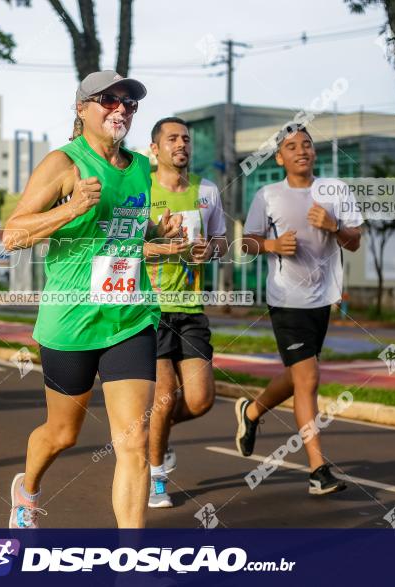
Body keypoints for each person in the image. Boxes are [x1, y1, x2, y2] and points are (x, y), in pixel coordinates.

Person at [2, 70, 183, 529]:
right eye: (108, 99)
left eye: (129, 102)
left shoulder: (141, 167)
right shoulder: (64, 163)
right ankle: (27, 489)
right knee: (63, 433)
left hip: (130, 317)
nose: (120, 108)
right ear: (82, 108)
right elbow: (12, 234)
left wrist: (161, 233)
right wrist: (71, 208)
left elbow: (128, 228)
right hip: (71, 321)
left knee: (134, 441)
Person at [236, 125, 362, 495]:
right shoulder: (268, 194)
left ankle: (252, 411)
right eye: (291, 146)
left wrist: (334, 225)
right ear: (280, 158)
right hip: (285, 300)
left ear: (314, 152)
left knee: (297, 376)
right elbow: (247, 243)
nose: (301, 150)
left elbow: (354, 241)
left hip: (322, 299)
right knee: (308, 378)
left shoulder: (335, 191)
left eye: (306, 144)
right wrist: (273, 245)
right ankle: (317, 470)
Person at [143, 117, 227, 508]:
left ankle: (152, 437)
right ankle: (156, 476)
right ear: (155, 148)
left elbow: (223, 242)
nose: (182, 144)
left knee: (200, 400)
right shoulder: (140, 189)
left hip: (192, 309)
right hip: (150, 309)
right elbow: (122, 243)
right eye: (172, 138)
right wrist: (160, 239)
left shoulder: (207, 191)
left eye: (186, 139)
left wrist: (210, 249)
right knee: (163, 398)